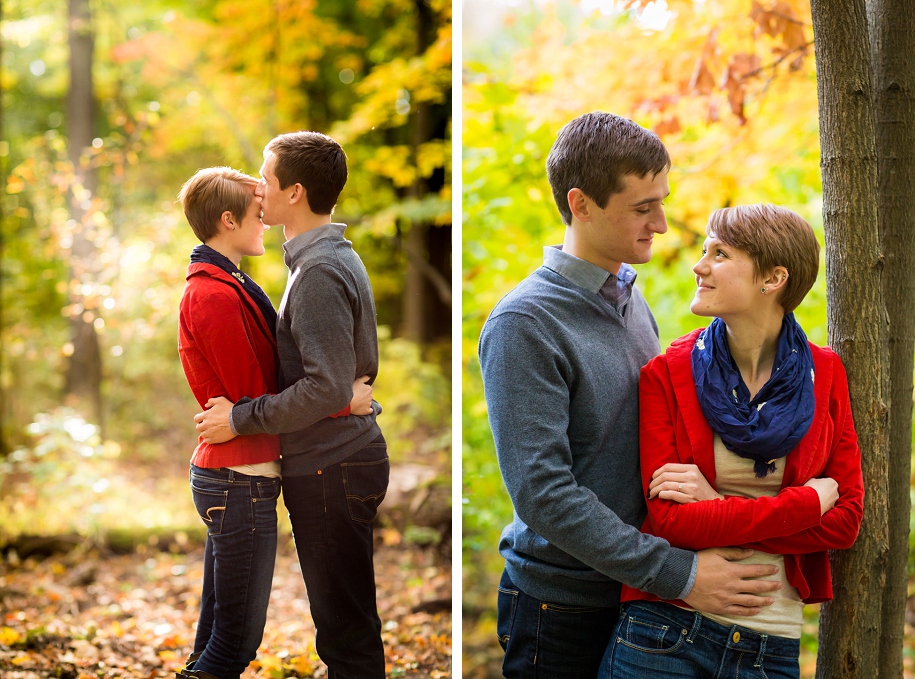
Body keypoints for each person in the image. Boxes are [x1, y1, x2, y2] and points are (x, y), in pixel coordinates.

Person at [478, 111, 784, 679]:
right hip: (560, 606)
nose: (662, 224)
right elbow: (543, 494)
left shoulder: (628, 298)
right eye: (643, 208)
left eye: (661, 202)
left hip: (635, 598)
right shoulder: (524, 323)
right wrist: (682, 574)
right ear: (581, 203)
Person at [601, 204, 864, 679]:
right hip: (664, 634)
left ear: (772, 279)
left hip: (772, 649)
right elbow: (670, 521)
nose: (699, 266)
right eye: (704, 251)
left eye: (719, 253)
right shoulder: (667, 373)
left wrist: (714, 504)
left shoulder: (825, 375)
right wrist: (804, 505)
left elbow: (844, 523)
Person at [193, 133, 389, 679]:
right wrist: (340, 397)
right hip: (334, 457)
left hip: (333, 464)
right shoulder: (322, 260)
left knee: (345, 631)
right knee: (345, 623)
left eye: (266, 174)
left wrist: (238, 418)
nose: (258, 185)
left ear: (295, 192)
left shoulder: (319, 272)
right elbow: (335, 378)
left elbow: (326, 387)